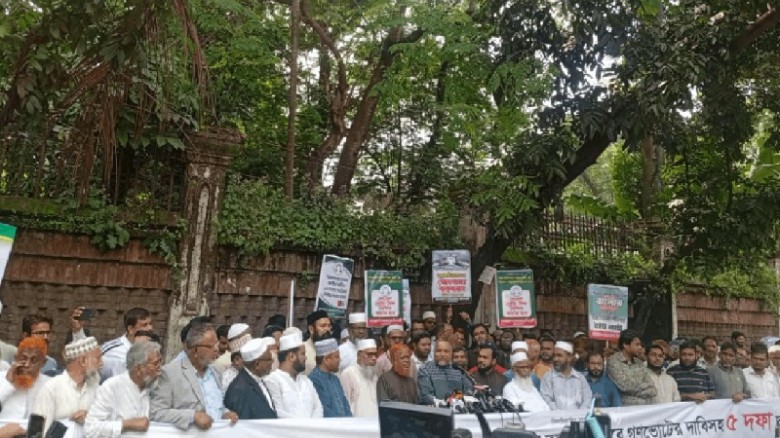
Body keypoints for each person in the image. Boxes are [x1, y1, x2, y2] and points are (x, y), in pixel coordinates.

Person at [150, 323, 238, 430]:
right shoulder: (170, 373)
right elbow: (156, 412)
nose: (217, 349)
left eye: (217, 344)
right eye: (212, 346)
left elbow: (215, 405)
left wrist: (226, 413)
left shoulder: (217, 371)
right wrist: (192, 416)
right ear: (196, 351)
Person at [84, 340, 162, 438]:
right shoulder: (111, 387)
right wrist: (126, 424)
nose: (160, 368)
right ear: (139, 369)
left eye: (160, 361)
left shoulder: (154, 385)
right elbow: (90, 429)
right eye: (155, 364)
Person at [32, 337, 103, 434]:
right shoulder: (51, 389)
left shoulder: (96, 388)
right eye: (98, 358)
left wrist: (90, 418)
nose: (102, 363)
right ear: (83, 361)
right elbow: (36, 432)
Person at [264, 332, 323, 418]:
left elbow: (318, 407)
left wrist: (312, 424)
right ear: (291, 357)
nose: (306, 357)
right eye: (303, 353)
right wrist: (302, 424)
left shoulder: (306, 380)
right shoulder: (272, 380)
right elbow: (278, 412)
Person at [223, 337, 277, 420]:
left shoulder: (258, 379)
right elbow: (243, 424)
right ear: (257, 365)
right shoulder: (239, 389)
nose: (272, 362)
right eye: (269, 359)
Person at [0, 337, 50, 419]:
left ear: (43, 363)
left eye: (33, 361)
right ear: (16, 358)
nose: (27, 365)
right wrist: (7, 384)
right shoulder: (1, 378)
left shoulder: (49, 385)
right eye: (23, 358)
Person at [99, 308, 153, 382]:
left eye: (150, 324)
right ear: (131, 329)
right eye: (144, 325)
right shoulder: (114, 350)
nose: (150, 328)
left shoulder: (149, 346)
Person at [606, 329, 656, 406]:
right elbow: (625, 386)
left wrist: (633, 392)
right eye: (637, 345)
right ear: (625, 345)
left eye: (640, 345)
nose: (640, 348)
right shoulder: (613, 361)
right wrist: (644, 387)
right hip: (624, 409)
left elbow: (652, 388)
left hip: (643, 409)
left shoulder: (639, 362)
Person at [540, 341, 592, 410]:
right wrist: (562, 415)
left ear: (569, 357)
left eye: (559, 356)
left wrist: (578, 414)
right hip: (555, 416)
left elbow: (587, 400)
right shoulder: (547, 378)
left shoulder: (580, 378)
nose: (555, 359)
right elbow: (546, 400)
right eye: (554, 356)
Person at [418, 340, 473, 404]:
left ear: (451, 353)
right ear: (434, 352)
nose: (442, 354)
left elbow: (469, 391)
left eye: (446, 351)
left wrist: (460, 400)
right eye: (439, 351)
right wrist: (443, 403)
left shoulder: (458, 370)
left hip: (457, 407)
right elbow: (425, 395)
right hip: (434, 408)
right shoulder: (425, 369)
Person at [309, 338, 352, 417]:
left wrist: (349, 421)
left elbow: (345, 405)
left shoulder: (335, 379)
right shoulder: (314, 380)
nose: (340, 360)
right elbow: (324, 410)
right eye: (337, 357)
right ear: (326, 359)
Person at [340, 339, 380, 417]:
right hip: (357, 420)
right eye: (370, 354)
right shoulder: (348, 373)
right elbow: (345, 402)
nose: (374, 358)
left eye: (375, 354)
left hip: (375, 420)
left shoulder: (374, 374)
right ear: (359, 355)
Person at [303, 310, 332, 375]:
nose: (327, 329)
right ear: (311, 329)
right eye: (323, 326)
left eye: (329, 326)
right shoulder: (303, 350)